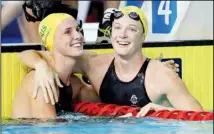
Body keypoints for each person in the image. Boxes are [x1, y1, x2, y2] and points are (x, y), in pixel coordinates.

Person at [19, 6, 203, 118]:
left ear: (143, 36)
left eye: (131, 29)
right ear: (111, 33)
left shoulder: (162, 75)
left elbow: (202, 120)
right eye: (117, 28)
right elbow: (34, 53)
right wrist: (40, 66)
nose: (122, 35)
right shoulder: (94, 65)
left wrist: (164, 111)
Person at [12, 13, 100, 119]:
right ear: (51, 41)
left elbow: (105, 99)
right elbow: (50, 131)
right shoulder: (41, 82)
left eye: (77, 29)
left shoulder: (74, 84)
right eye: (68, 32)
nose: (79, 36)